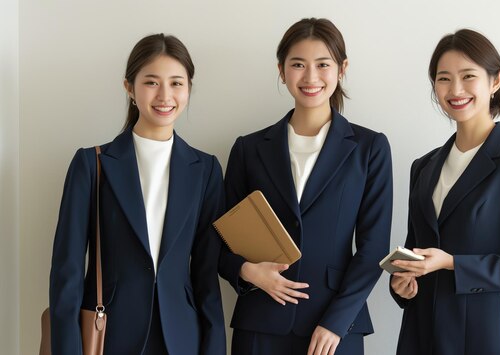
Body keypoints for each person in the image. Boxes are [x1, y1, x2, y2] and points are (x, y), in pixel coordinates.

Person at [218, 18, 393, 355]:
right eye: (298, 64)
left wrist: (336, 322)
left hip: (334, 329)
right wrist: (247, 271)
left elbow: (373, 249)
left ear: (342, 69)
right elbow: (222, 239)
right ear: (282, 71)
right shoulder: (249, 148)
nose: (311, 77)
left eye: (323, 64)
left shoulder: (369, 148)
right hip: (260, 323)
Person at [49, 34, 226, 355]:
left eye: (176, 83)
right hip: (109, 334)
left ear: (188, 88)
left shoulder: (206, 170)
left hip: (182, 338)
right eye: (151, 83)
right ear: (129, 87)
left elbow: (206, 276)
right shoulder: (92, 164)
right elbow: (67, 272)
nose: (165, 96)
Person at [390, 28, 500, 355]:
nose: (456, 89)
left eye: (468, 76)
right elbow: (414, 251)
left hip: (486, 334)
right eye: (444, 78)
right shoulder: (423, 167)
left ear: (495, 81)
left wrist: (453, 264)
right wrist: (402, 285)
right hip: (423, 334)